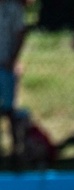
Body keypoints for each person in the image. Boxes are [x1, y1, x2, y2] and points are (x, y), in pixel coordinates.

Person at [0, 0, 27, 166]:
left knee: (10, 110)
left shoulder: (13, 8)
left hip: (6, 67)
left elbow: (21, 33)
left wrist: (13, 59)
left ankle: (16, 152)